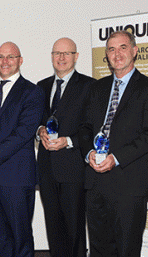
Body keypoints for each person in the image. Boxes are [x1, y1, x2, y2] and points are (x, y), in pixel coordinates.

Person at [0, 42, 44, 257]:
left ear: (20, 61)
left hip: (16, 176)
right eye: (0, 57)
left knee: (20, 238)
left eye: (10, 57)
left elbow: (24, 132)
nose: (5, 61)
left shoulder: (32, 92)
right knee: (0, 237)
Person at [79, 30, 148, 257]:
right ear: (106, 55)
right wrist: (88, 150)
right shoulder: (97, 88)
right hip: (96, 185)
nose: (116, 54)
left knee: (127, 250)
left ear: (135, 51)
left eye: (122, 47)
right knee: (99, 250)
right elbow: (85, 128)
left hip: (128, 185)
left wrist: (115, 158)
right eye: (111, 49)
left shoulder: (146, 88)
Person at [36, 37, 95, 257]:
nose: (61, 58)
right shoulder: (41, 86)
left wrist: (68, 141)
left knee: (74, 230)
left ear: (76, 57)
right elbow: (37, 120)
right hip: (47, 169)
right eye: (56, 53)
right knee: (54, 229)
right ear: (51, 57)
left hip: (73, 169)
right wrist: (40, 130)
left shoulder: (90, 86)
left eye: (66, 53)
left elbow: (91, 126)